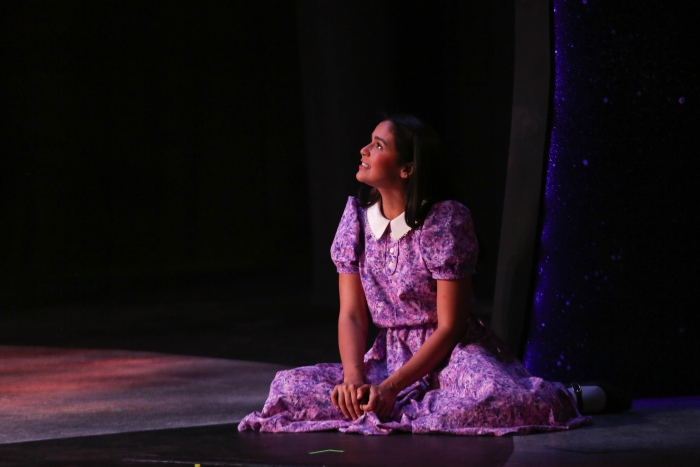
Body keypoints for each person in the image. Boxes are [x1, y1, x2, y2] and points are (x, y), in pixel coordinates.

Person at [238, 115, 595, 435]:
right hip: (389, 356)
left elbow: (450, 326)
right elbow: (351, 315)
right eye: (370, 141)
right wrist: (353, 379)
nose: (364, 149)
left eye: (378, 145)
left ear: (406, 168)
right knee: (290, 389)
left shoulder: (443, 222)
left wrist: (392, 389)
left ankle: (570, 395)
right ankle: (391, 404)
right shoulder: (357, 224)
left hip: (449, 354)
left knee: (498, 401)